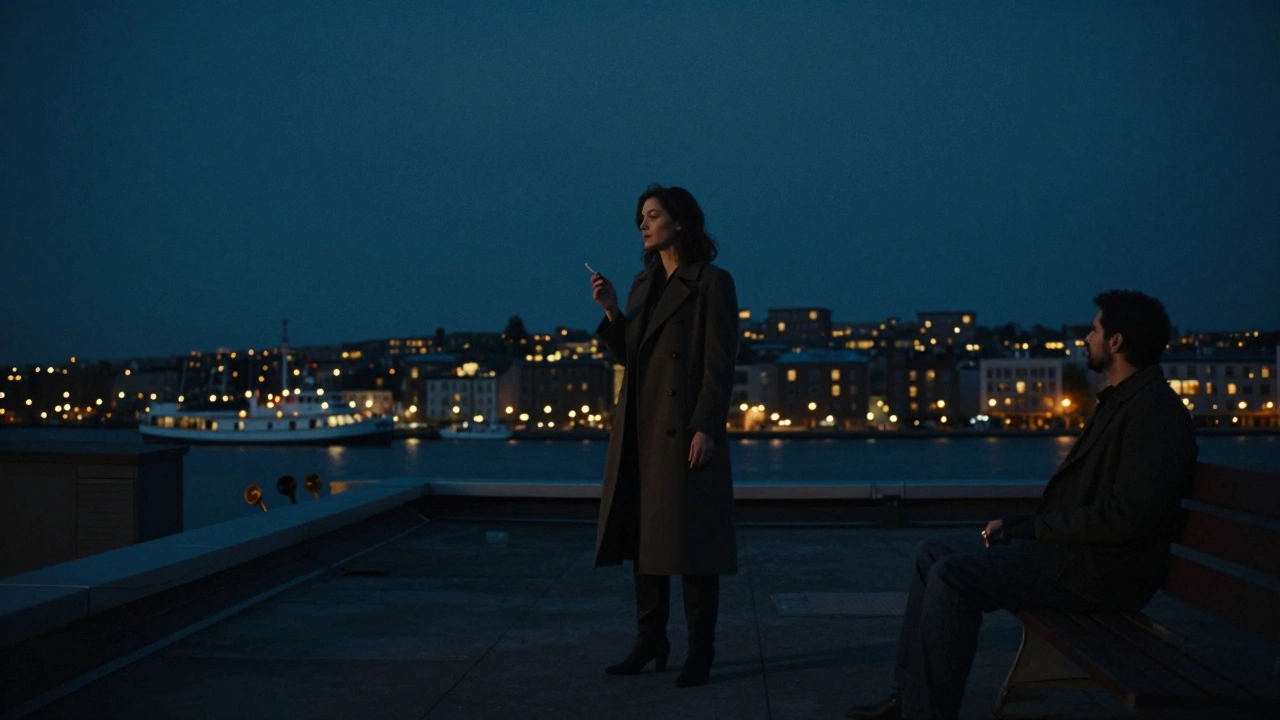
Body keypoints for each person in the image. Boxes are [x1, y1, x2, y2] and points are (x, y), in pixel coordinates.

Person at [845, 290, 1198, 720]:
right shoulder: (1126, 401)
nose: (1086, 339)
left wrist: (1028, 530)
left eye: (1094, 330)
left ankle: (925, 713)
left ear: (1117, 342)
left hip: (1101, 572)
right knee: (932, 553)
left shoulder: (1153, 412)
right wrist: (1021, 526)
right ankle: (906, 697)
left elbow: (1128, 517)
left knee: (953, 577)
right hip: (1079, 556)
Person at [588, 184, 739, 688]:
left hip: (684, 430)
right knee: (644, 541)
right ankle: (650, 639)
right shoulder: (641, 285)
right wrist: (612, 312)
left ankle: (701, 651)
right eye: (641, 218)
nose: (643, 225)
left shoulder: (712, 283)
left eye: (653, 215)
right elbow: (633, 357)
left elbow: (720, 363)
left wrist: (706, 426)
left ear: (681, 221)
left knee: (694, 545)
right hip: (642, 427)